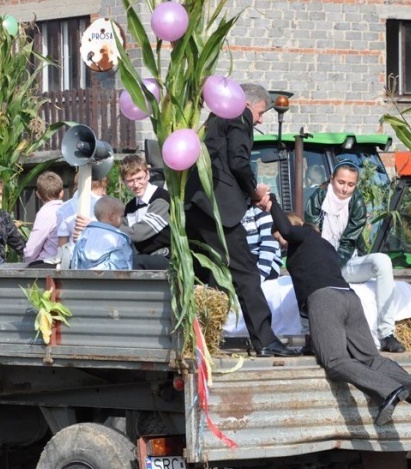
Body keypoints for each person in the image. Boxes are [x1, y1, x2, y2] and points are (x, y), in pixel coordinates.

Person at [270, 201, 411, 426]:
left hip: (326, 299)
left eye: (277, 236)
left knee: (335, 360)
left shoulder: (299, 238)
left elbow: (305, 294)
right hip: (350, 299)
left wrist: (271, 202)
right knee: (371, 358)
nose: (279, 241)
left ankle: (388, 392)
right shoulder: (324, 244)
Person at [184, 82, 298, 357]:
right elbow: (238, 161)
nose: (259, 119)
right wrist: (254, 191)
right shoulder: (238, 115)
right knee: (246, 273)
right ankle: (265, 340)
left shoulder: (214, 119)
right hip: (220, 210)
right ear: (247, 104)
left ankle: (196, 338)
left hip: (196, 205)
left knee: (204, 272)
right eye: (261, 112)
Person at [304, 161, 405, 352]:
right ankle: (312, 337)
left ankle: (386, 334)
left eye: (350, 185)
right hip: (319, 262)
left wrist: (333, 268)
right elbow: (310, 234)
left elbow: (348, 243)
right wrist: (322, 266)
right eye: (341, 182)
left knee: (383, 261)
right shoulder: (317, 199)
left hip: (344, 262)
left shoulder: (357, 203)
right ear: (332, 179)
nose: (344, 189)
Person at [118, 154, 171, 269]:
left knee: (133, 262)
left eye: (139, 178)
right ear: (124, 181)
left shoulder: (161, 198)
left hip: (167, 257)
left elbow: (138, 233)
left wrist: (111, 225)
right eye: (130, 181)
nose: (136, 185)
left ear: (147, 174)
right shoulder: (130, 206)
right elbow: (122, 233)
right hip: (144, 257)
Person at [71, 196, 134, 270]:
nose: (123, 219)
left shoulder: (85, 234)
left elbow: (75, 261)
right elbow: (126, 266)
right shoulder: (120, 239)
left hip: (85, 279)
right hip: (111, 280)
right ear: (111, 216)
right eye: (121, 216)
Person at [24, 171, 64, 265]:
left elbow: (31, 251)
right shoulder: (68, 210)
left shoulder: (45, 213)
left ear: (38, 194)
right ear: (61, 193)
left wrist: (27, 260)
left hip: (47, 264)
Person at [241, 205, 281, 281]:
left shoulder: (261, 210)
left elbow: (269, 244)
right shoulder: (230, 212)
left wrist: (260, 275)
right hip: (244, 262)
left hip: (265, 264)